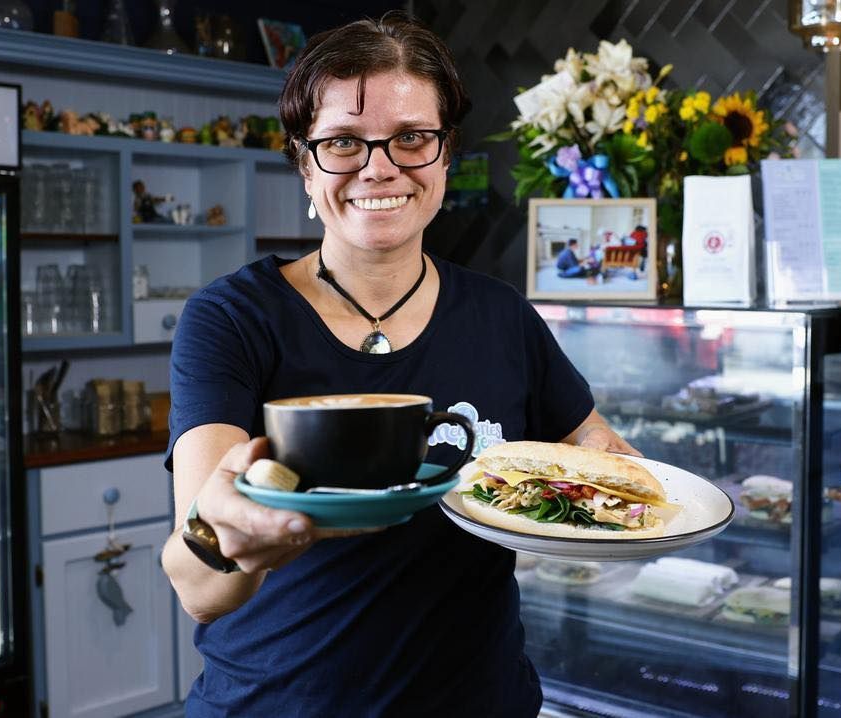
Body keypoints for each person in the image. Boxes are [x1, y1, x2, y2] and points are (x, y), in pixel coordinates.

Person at [160, 13, 639, 718]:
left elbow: (596, 447)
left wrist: (611, 483)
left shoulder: (501, 315)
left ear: (444, 157)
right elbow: (198, 589)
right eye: (343, 142)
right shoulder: (233, 319)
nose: (379, 167)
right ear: (304, 164)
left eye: (412, 137)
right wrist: (229, 536)